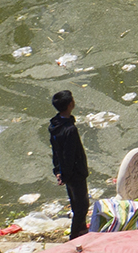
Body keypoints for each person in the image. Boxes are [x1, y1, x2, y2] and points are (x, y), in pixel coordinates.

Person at [50, 90, 90, 238]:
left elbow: (56, 152)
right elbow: (69, 155)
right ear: (70, 104)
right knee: (82, 206)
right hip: (75, 173)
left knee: (75, 203)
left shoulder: (55, 125)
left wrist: (58, 171)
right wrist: (65, 174)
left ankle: (82, 230)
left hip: (66, 172)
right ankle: (74, 237)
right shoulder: (70, 129)